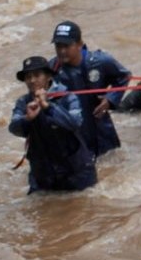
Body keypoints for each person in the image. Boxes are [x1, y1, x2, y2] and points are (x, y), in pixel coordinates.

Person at [9, 57, 97, 194]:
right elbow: (14, 128)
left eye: (37, 75)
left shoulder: (68, 97)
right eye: (28, 77)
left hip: (75, 172)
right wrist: (27, 118)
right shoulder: (23, 102)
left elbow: (75, 123)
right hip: (43, 175)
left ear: (48, 76)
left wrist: (48, 107)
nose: (32, 81)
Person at [46, 22, 126, 157]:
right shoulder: (51, 69)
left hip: (99, 126)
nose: (62, 51)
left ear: (79, 44)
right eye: (58, 46)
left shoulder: (100, 61)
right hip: (71, 130)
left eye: (66, 46)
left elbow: (123, 76)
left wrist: (110, 99)